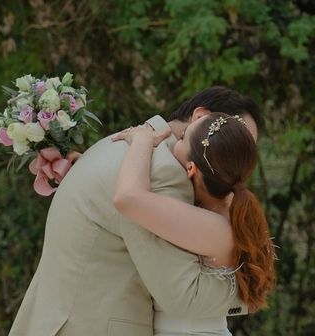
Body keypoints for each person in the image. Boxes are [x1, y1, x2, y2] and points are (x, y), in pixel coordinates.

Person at [9, 87, 264, 336]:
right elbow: (182, 295)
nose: (235, 155)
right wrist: (250, 292)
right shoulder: (160, 171)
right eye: (229, 140)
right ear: (201, 117)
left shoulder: (124, 144)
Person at [111, 112, 276, 335]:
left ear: (191, 169)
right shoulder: (226, 213)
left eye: (181, 139)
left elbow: (127, 198)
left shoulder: (215, 227)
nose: (173, 142)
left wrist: (142, 139)